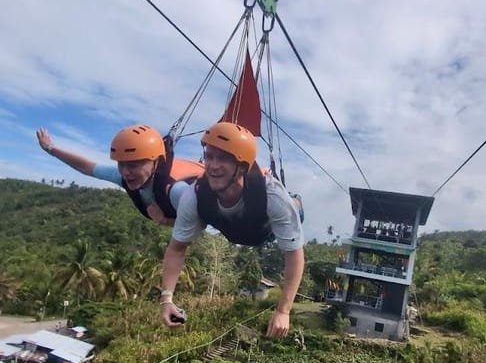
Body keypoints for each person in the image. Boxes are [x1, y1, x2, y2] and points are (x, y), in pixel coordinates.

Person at [158, 121, 305, 337]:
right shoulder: (195, 194)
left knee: (292, 208)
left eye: (224, 158)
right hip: (233, 229)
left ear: (243, 166)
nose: (213, 165)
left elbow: (294, 255)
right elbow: (177, 249)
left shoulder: (271, 196)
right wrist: (166, 299)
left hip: (265, 229)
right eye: (209, 156)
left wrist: (283, 311)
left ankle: (297, 202)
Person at [37, 125, 203, 226]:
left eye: (133, 165)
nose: (125, 172)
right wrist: (52, 149)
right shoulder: (124, 176)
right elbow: (86, 167)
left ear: (155, 162)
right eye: (121, 164)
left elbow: (202, 221)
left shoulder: (176, 190)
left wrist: (165, 221)